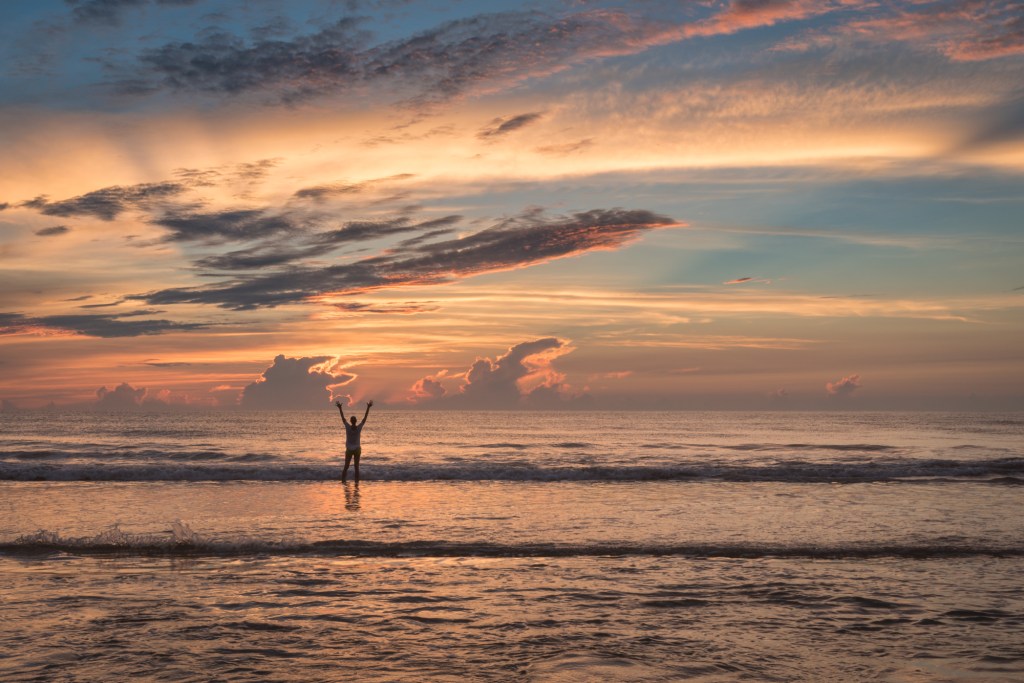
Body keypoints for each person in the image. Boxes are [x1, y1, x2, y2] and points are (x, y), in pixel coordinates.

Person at [337, 399, 372, 483]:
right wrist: (368, 407)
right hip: (357, 449)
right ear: (355, 421)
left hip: (349, 449)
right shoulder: (359, 427)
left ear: (351, 421)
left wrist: (340, 408)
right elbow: (365, 418)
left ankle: (343, 481)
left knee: (346, 467)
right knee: (356, 467)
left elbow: (343, 418)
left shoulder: (348, 427)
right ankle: (356, 482)